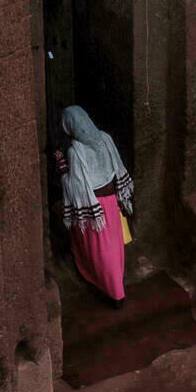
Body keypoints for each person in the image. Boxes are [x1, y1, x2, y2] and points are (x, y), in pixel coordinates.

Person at [56, 105, 135, 301]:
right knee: (114, 249)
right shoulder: (105, 138)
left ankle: (114, 293)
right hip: (111, 202)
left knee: (100, 252)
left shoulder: (76, 150)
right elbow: (115, 168)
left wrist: (63, 170)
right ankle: (117, 289)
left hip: (95, 208)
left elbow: (76, 186)